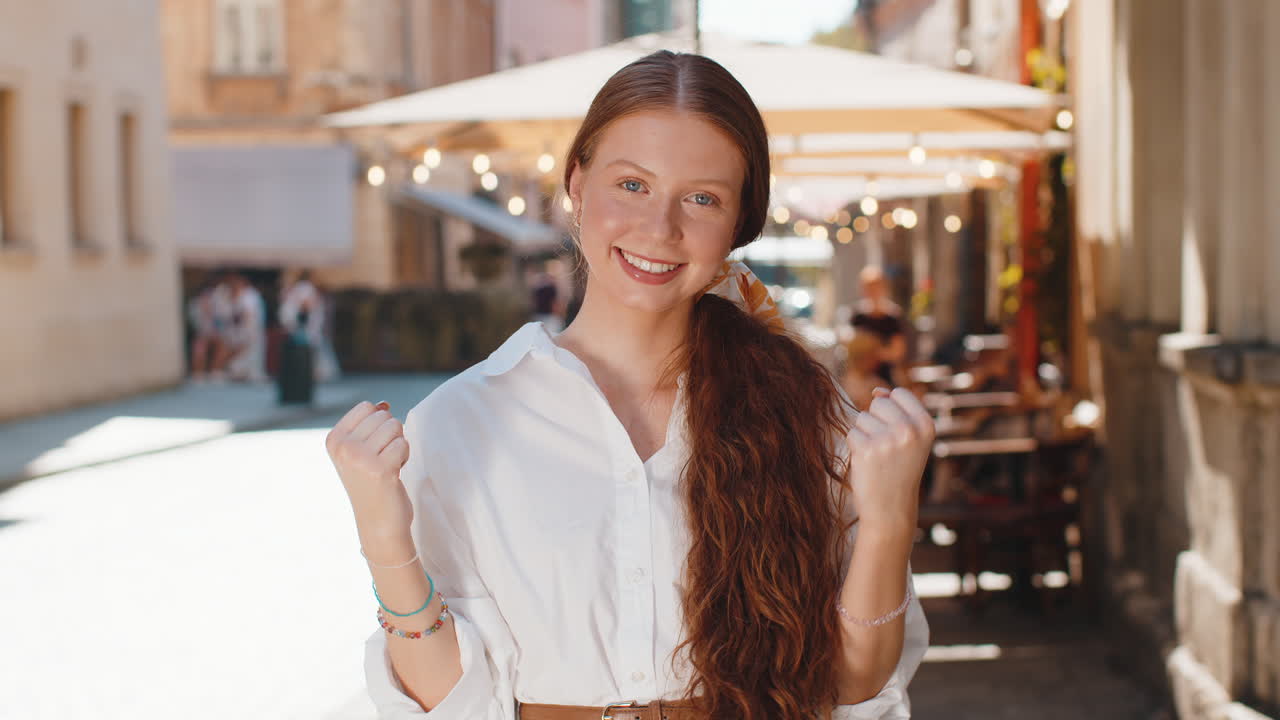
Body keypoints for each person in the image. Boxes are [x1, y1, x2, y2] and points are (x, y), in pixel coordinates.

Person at [326, 51, 933, 720]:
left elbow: (853, 687)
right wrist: (385, 537)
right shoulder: (462, 423)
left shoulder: (805, 415)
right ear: (578, 186)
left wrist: (890, 516)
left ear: (739, 223)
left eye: (702, 198)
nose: (659, 228)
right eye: (632, 185)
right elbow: (451, 701)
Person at [279, 271, 341, 382]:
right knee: (311, 347)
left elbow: (306, 303)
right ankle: (312, 371)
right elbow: (306, 303)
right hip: (307, 323)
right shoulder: (305, 287)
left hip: (308, 322)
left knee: (313, 347)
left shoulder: (302, 287)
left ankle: (313, 371)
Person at [851, 266, 907, 387]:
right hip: (861, 377)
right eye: (869, 288)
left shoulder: (892, 317)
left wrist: (876, 353)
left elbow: (898, 351)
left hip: (886, 375)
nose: (872, 292)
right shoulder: (858, 316)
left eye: (875, 287)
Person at [218, 273, 266, 382]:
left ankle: (249, 374)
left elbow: (246, 314)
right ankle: (240, 373)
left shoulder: (250, 295)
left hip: (250, 331)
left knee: (251, 353)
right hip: (242, 331)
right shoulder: (236, 295)